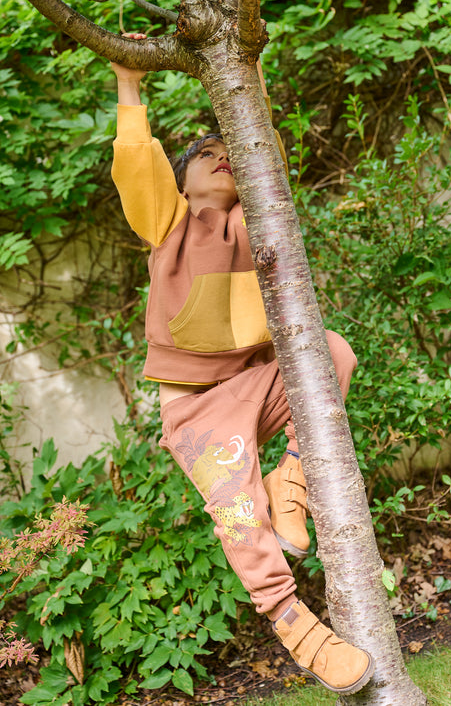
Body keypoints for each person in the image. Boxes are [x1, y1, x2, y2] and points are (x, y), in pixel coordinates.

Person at [109, 34, 374, 695]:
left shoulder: (259, 223)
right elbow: (137, 166)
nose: (221, 157)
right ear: (181, 178)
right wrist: (129, 85)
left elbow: (266, 152)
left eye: (229, 151)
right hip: (196, 407)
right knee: (235, 510)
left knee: (335, 351)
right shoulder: (169, 220)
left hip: (257, 384)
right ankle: (295, 624)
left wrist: (247, 67)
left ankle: (292, 482)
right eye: (204, 154)